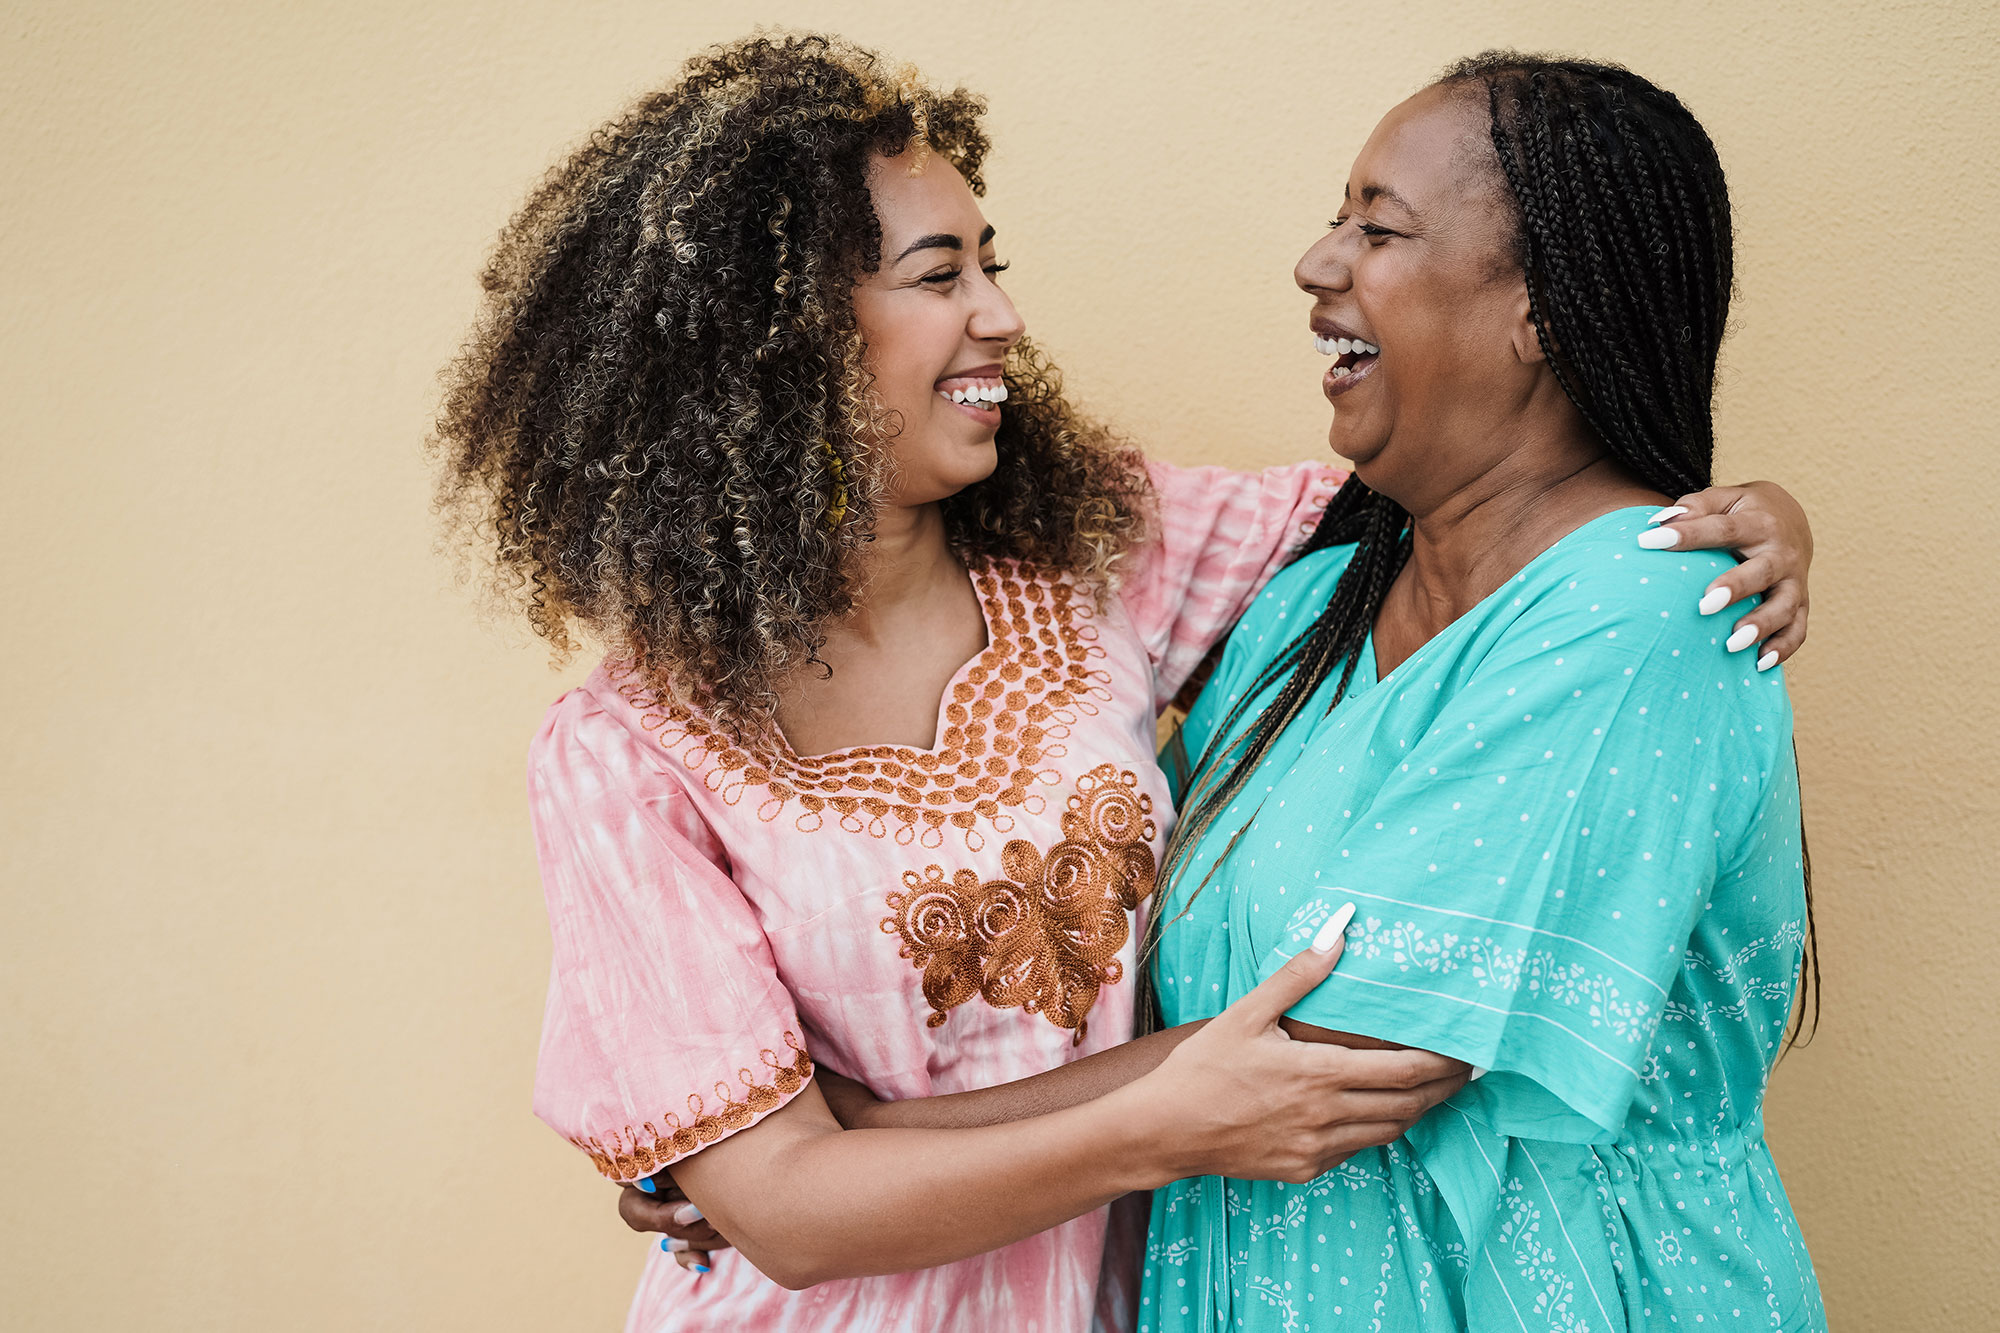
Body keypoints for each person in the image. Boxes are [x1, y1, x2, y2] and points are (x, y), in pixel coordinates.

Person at [432, 34, 1817, 1332]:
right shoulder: (630, 753)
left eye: (993, 263)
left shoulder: (1101, 565)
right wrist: (774, 1171)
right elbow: (785, 1219)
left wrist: (1725, 511)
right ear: (772, 341)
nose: (1003, 316)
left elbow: (1489, 509)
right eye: (940, 276)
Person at [1137, 52, 1826, 1330]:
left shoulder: (1646, 612)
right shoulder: (1303, 611)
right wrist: (756, 1115)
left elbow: (1331, 1067)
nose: (1316, 260)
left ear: (1544, 312)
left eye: (1376, 225)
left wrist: (857, 1163)